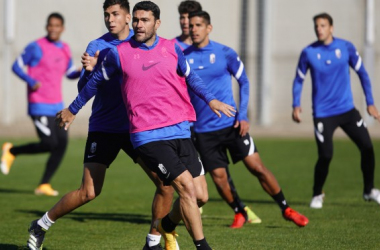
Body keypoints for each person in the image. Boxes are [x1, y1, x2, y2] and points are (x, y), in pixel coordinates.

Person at [56, 1, 235, 249]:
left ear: (157, 23)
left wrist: (211, 99)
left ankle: (167, 225)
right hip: (147, 135)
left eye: (145, 20)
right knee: (185, 189)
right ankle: (201, 246)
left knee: (201, 195)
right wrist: (73, 109)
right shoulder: (119, 53)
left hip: (180, 130)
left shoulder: (172, 48)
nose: (139, 25)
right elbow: (94, 82)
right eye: (137, 20)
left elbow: (190, 76)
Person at [25, 1, 176, 250]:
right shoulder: (97, 46)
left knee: (165, 185)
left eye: (116, 14)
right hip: (104, 127)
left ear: (129, 17)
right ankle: (40, 225)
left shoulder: (141, 44)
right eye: (107, 15)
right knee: (88, 192)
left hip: (136, 128)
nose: (110, 19)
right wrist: (88, 71)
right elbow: (85, 89)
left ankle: (152, 242)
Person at [184, 11, 309, 228]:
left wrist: (242, 114)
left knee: (257, 167)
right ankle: (239, 211)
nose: (193, 29)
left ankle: (286, 208)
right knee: (219, 178)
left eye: (198, 25)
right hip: (203, 132)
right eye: (191, 26)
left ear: (209, 28)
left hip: (231, 125)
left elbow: (244, 81)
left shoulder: (225, 53)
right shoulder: (184, 56)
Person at [173, 0, 261, 226]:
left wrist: (241, 113)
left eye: (192, 20)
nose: (188, 24)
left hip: (222, 123)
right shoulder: (173, 49)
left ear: (204, 25)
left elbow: (243, 80)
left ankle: (242, 209)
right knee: (199, 173)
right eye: (184, 18)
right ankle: (203, 208)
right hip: (192, 125)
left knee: (225, 170)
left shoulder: (218, 51)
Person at [292, 13, 380, 209]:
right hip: (323, 114)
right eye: (316, 26)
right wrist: (296, 104)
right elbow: (299, 79)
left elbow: (363, 74)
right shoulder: (308, 52)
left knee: (367, 147)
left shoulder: (346, 47)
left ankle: (369, 190)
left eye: (323, 25)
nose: (319, 29)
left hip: (347, 110)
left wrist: (370, 102)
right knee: (326, 155)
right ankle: (317, 193)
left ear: (331, 27)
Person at [1, 12, 81, 196]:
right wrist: (30, 81)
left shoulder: (65, 48)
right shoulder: (35, 47)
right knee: (49, 142)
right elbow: (16, 66)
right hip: (38, 104)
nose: (53, 28)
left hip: (57, 106)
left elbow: (69, 73)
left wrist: (81, 71)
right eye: (50, 25)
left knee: (61, 144)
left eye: (57, 25)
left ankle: (44, 184)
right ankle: (12, 150)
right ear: (47, 27)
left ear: (62, 28)